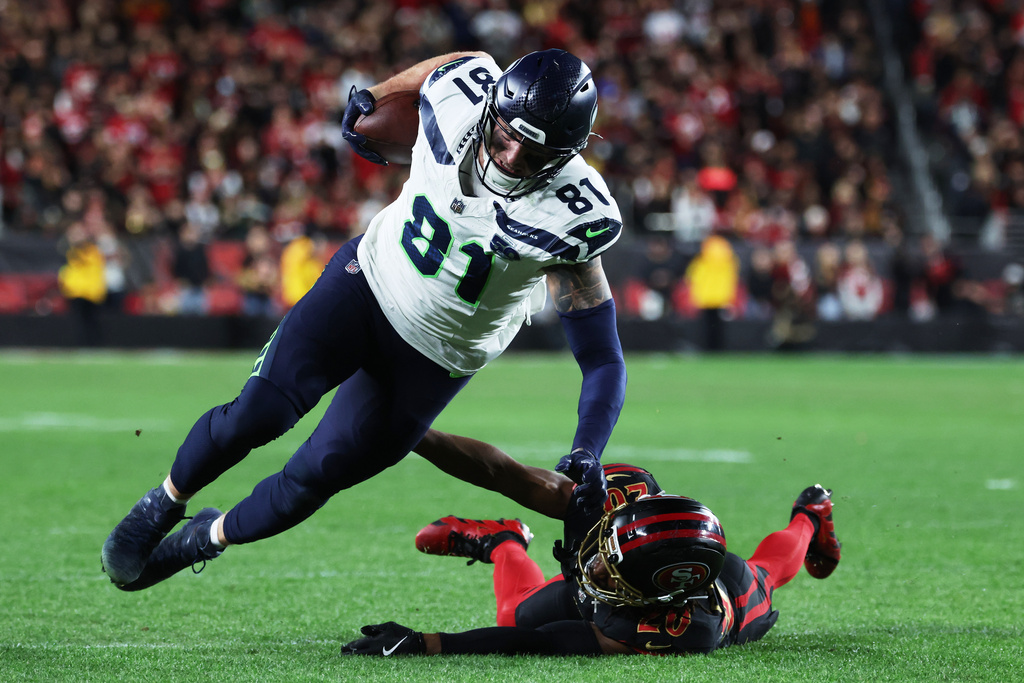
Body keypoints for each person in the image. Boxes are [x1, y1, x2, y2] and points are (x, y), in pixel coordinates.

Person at [100, 49, 626, 592]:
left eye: (534, 153)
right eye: (506, 136)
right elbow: (460, 61)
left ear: (568, 154)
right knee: (257, 412)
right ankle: (162, 503)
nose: (512, 157)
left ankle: (203, 538)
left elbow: (602, 358)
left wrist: (587, 450)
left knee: (312, 477)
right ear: (492, 108)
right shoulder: (462, 98)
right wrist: (375, 95)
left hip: (433, 358)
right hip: (366, 280)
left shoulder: (573, 215)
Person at [340, 453, 841, 656]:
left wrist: (427, 643)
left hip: (721, 594)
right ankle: (504, 540)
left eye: (608, 563)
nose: (593, 564)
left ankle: (809, 516)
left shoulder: (672, 630)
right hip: (646, 584)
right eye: (605, 549)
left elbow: (543, 643)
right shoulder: (627, 540)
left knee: (766, 572)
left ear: (650, 592)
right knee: (520, 611)